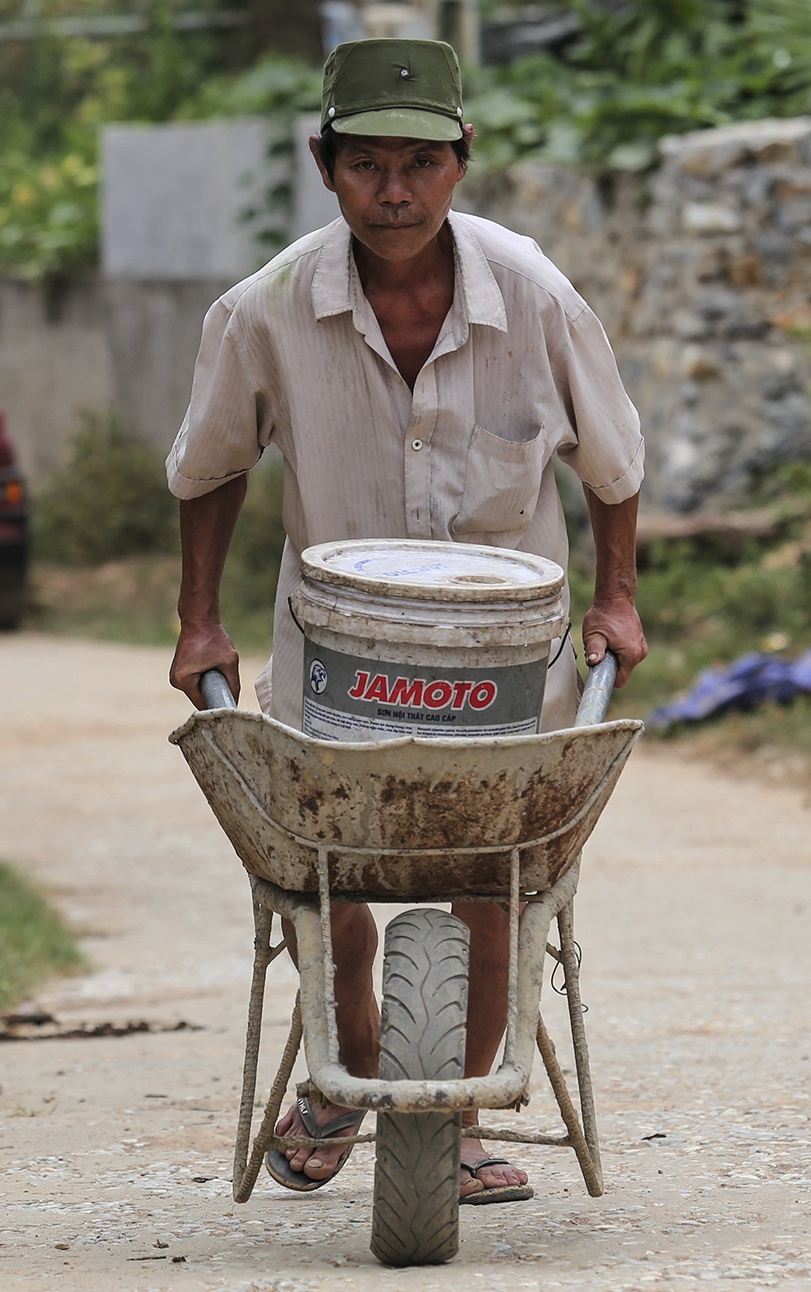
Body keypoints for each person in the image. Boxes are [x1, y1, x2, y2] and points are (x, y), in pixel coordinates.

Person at [165, 36, 647, 1204]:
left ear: (460, 164)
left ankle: (468, 1106)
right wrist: (200, 621)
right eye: (368, 163)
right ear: (325, 165)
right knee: (325, 868)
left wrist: (619, 599)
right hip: (336, 664)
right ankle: (350, 1067)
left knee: (499, 877)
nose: (395, 191)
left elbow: (614, 466)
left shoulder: (533, 296)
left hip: (505, 668)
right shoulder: (267, 310)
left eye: (420, 164)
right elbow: (209, 467)